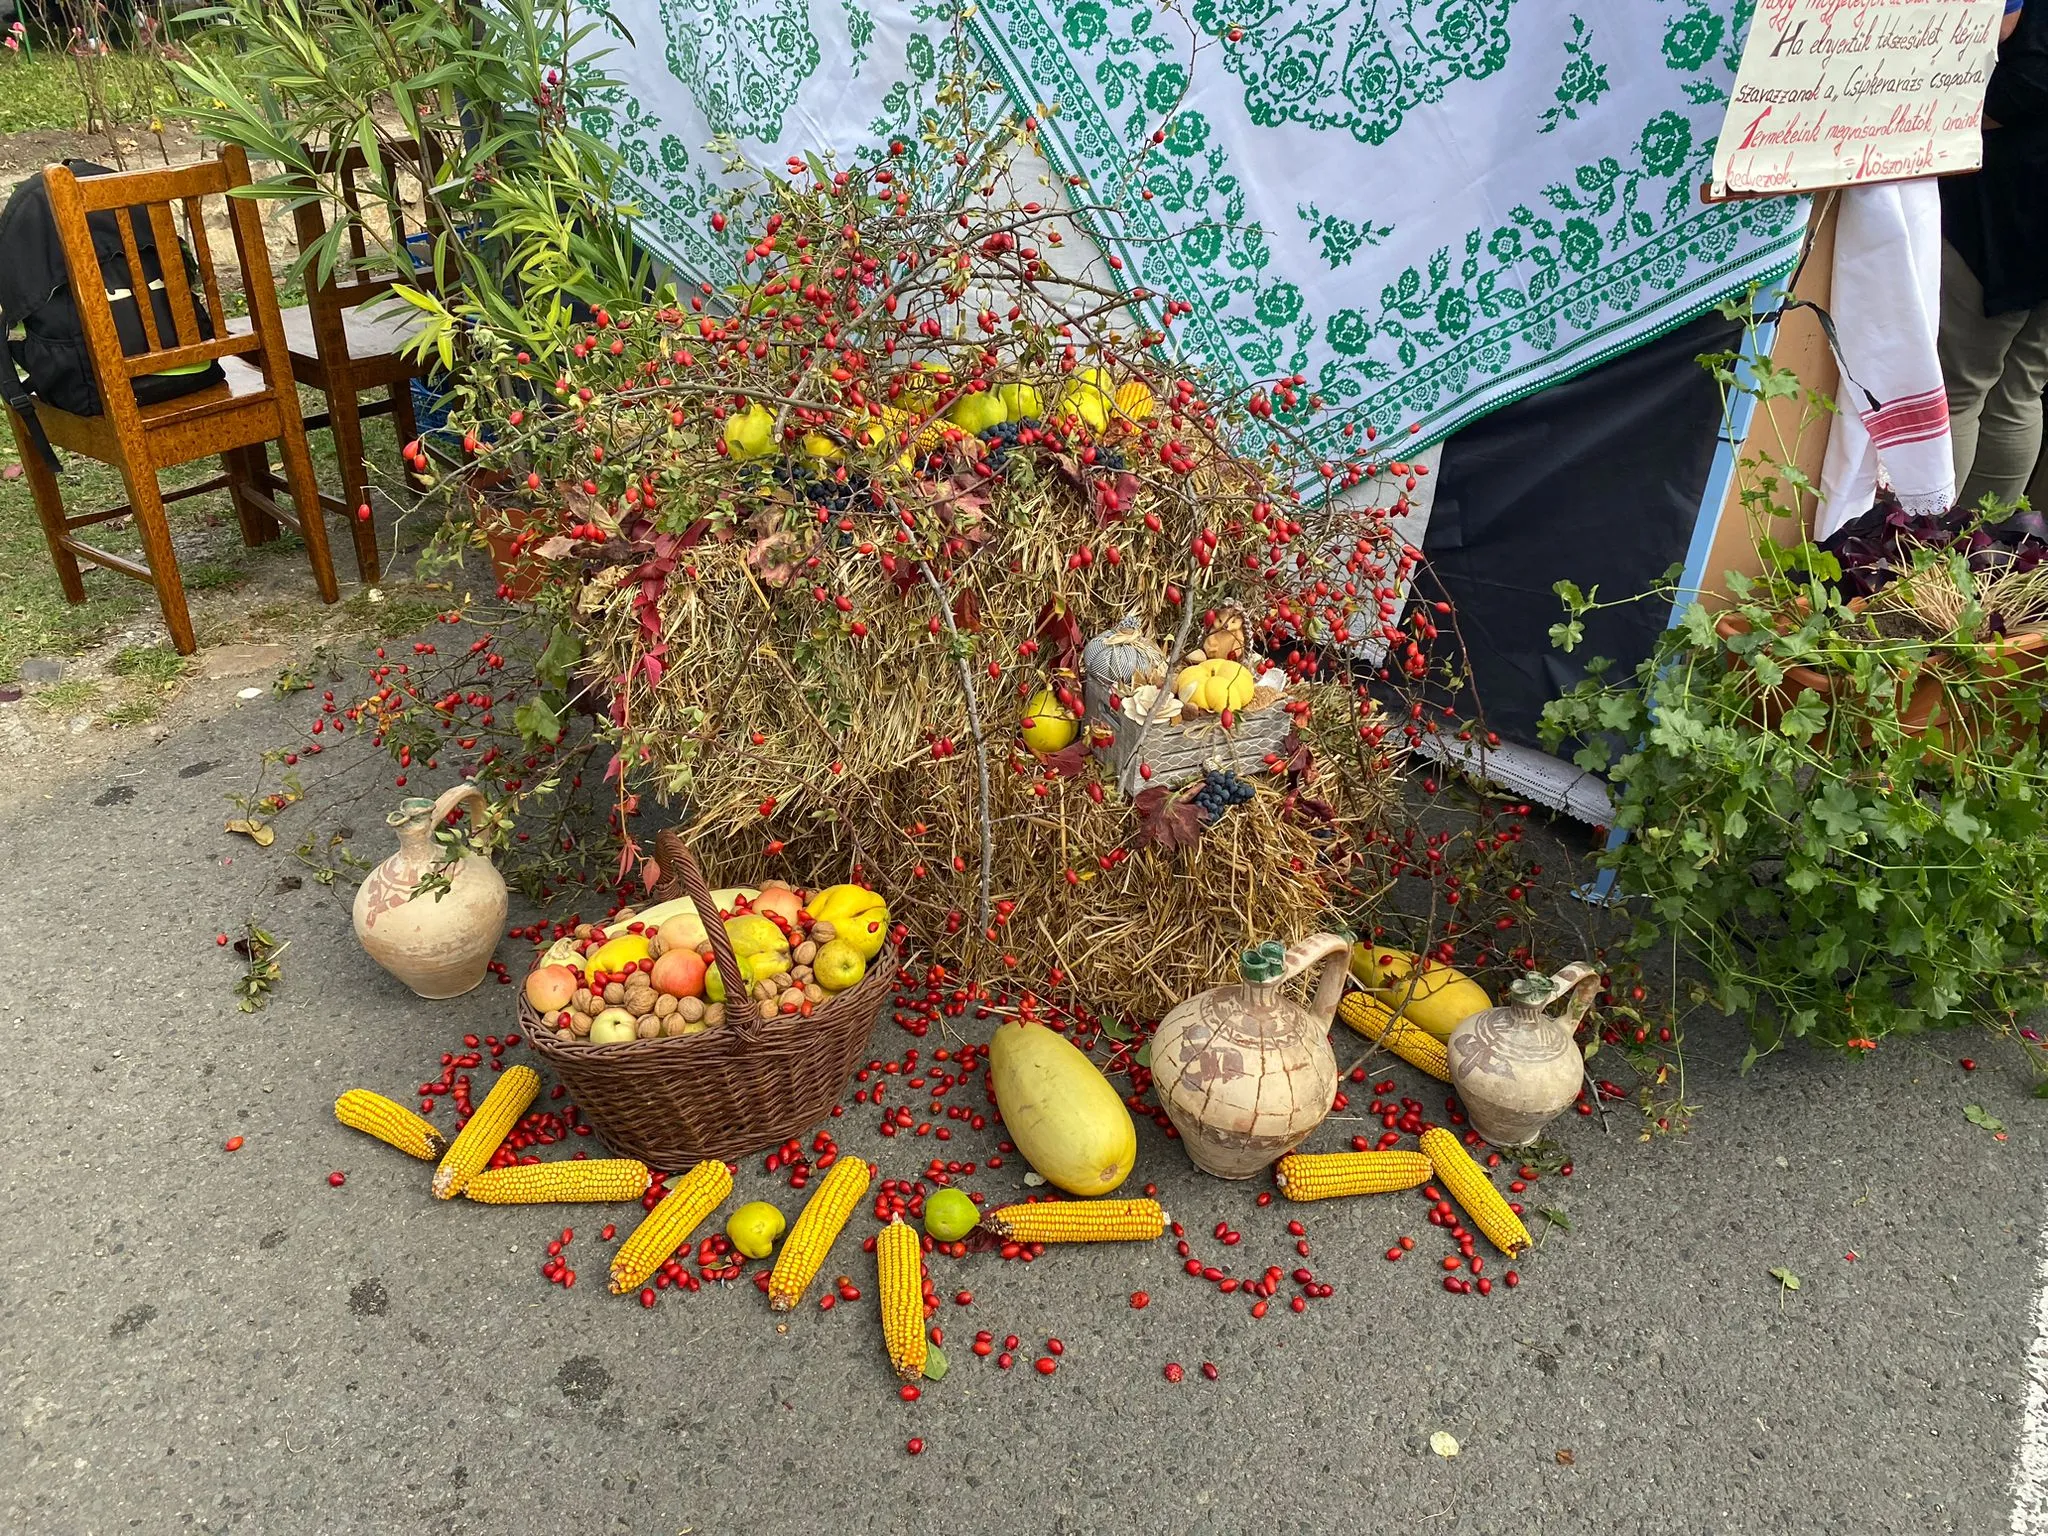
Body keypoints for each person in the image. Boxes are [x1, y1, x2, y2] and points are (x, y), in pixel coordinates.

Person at [1937, 0, 2048, 510]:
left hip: (2009, 204)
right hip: (2018, 203)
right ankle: (1983, 547)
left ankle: (1925, 547)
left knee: (1956, 389)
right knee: (2020, 388)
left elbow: (2023, 86)